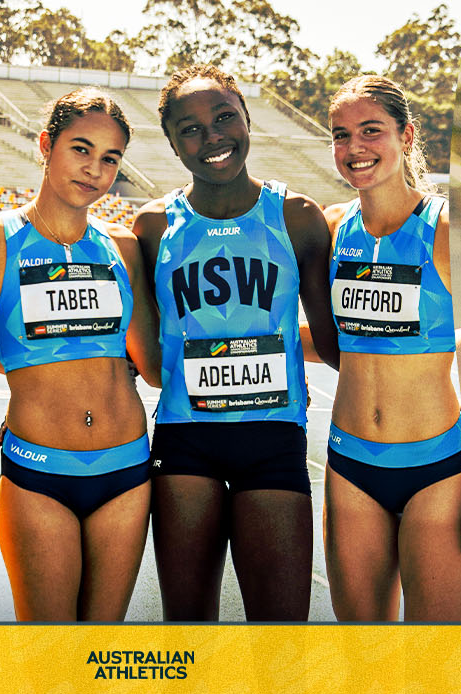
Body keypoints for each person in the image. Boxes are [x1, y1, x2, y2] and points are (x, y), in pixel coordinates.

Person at [132, 64, 338, 621]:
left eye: (224, 117)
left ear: (247, 120)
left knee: (280, 631)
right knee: (189, 630)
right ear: (173, 145)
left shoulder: (296, 217)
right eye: (191, 129)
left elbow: (336, 343)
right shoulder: (151, 227)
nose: (213, 136)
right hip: (184, 442)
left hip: (272, 442)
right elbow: (136, 350)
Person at [0, 89, 157, 620]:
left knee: (98, 650)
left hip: (126, 469)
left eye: (110, 159)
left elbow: (146, 362)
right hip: (39, 472)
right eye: (80, 149)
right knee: (47, 651)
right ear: (46, 144)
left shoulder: (123, 247)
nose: (94, 169)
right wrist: (26, 364)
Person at [320, 74, 461, 621]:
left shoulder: (445, 230)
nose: (355, 148)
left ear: (406, 135)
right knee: (364, 659)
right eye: (341, 135)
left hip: (438, 468)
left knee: (432, 658)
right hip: (351, 465)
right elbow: (328, 341)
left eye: (371, 131)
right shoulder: (335, 228)